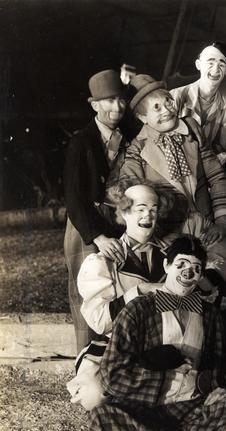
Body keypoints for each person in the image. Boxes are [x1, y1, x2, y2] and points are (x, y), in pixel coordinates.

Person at [89, 236, 226, 431]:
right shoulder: (138, 309)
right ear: (167, 266)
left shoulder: (209, 313)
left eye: (196, 268)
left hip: (194, 410)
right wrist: (163, 377)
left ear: (200, 274)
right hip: (147, 410)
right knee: (101, 415)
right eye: (181, 265)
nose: (188, 274)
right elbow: (111, 374)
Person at [115, 73, 226, 284]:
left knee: (224, 268)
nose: (167, 110)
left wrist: (222, 223)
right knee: (182, 278)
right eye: (156, 108)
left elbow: (217, 177)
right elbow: (131, 199)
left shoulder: (193, 131)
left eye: (168, 102)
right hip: (165, 234)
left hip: (205, 225)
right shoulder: (136, 150)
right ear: (142, 117)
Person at [67, 181, 170, 411]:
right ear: (124, 212)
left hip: (159, 343)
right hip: (113, 346)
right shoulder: (103, 260)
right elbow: (100, 321)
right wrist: (139, 291)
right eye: (140, 208)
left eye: (153, 209)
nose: (148, 215)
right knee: (96, 394)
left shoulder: (169, 256)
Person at [64, 69, 132, 351]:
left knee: (116, 291)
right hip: (86, 228)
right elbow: (73, 196)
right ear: (94, 104)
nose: (116, 108)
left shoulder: (127, 138)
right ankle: (86, 364)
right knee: (88, 294)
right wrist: (98, 237)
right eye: (108, 101)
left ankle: (114, 364)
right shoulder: (82, 141)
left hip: (117, 223)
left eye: (121, 101)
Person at [170, 42, 226, 166]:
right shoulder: (176, 96)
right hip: (172, 165)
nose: (216, 70)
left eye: (222, 64)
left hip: (204, 170)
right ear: (198, 65)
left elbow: (220, 149)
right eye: (210, 63)